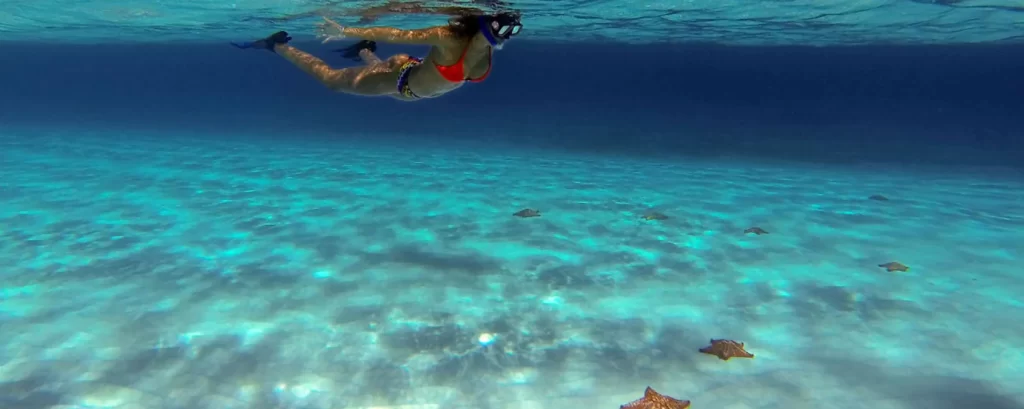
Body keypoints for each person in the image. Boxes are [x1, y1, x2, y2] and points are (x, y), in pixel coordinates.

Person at [232, 12, 522, 101]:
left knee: (383, 68)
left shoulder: (484, 46)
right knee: (331, 80)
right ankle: (277, 46)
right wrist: (344, 29)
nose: (505, 37)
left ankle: (363, 50)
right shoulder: (449, 38)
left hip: (407, 71)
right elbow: (397, 34)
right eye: (500, 31)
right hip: (402, 83)